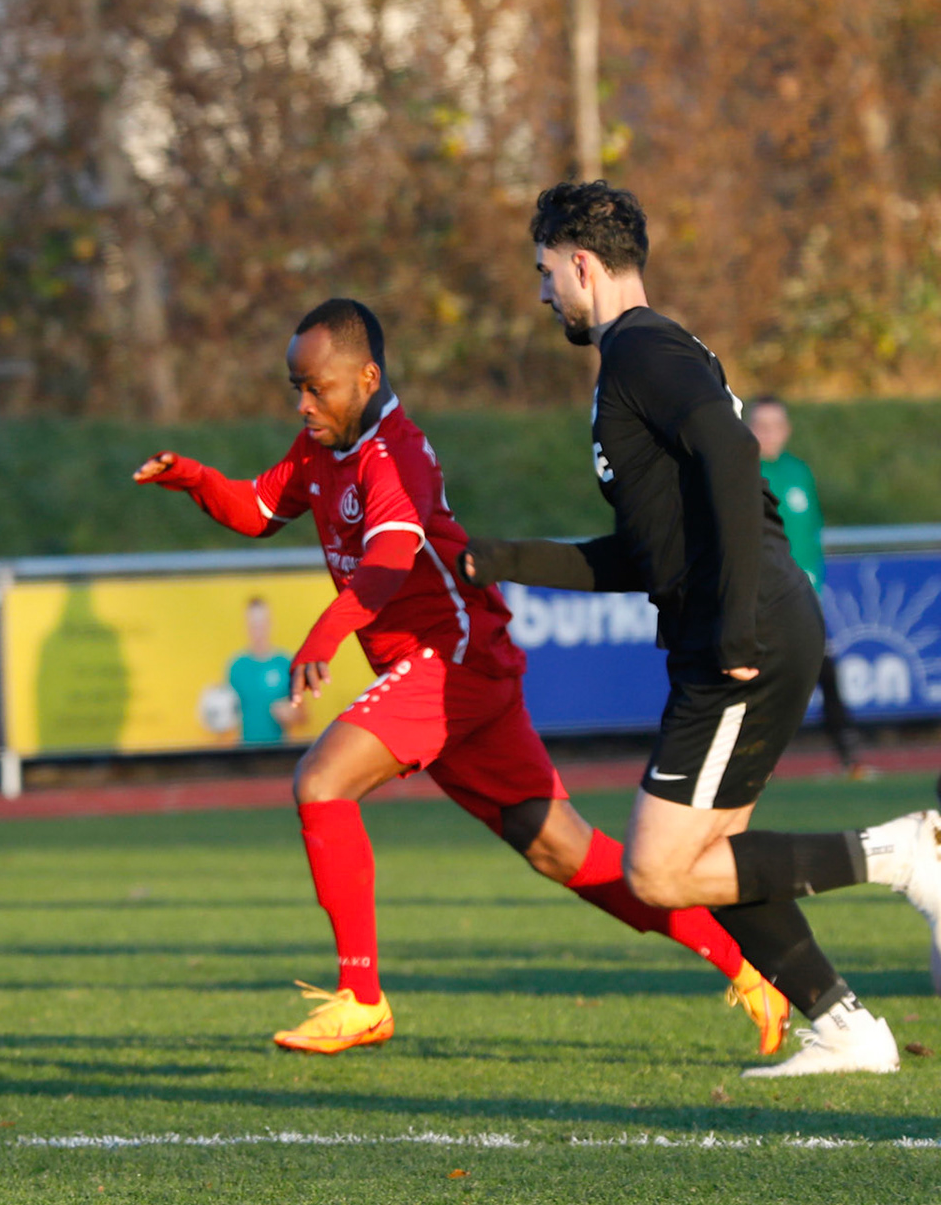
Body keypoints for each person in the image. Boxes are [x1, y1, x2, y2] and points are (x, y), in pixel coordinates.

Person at [135, 298, 788, 1056]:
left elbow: (388, 562)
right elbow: (255, 507)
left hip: (452, 661)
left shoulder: (396, 453)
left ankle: (361, 997)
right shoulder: (320, 448)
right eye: (297, 389)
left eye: (316, 388)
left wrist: (326, 631)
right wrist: (193, 477)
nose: (304, 404)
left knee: (321, 781)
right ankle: (747, 968)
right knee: (565, 852)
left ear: (367, 377)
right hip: (457, 672)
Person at [458, 181, 941, 1076]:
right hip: (741, 623)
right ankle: (846, 1027)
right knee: (708, 857)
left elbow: (732, 450)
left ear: (582, 265)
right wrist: (502, 558)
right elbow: (648, 554)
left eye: (545, 272)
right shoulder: (640, 359)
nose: (542, 293)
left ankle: (904, 853)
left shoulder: (641, 349)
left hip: (742, 632)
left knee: (659, 870)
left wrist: (733, 625)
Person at [747, 396, 867, 776]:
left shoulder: (798, 471)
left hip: (804, 599)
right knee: (756, 681)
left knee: (825, 672)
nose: (768, 433)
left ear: (787, 430)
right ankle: (747, 760)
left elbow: (811, 535)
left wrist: (814, 582)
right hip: (760, 600)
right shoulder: (741, 471)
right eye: (760, 425)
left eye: (775, 425)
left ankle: (849, 756)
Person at [226, 597, 305, 746]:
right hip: (244, 751)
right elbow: (227, 714)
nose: (258, 632)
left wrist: (291, 714)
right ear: (246, 627)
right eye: (253, 625)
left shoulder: (285, 663)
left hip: (278, 751)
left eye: (262, 624)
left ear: (270, 624)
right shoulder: (236, 666)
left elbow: (304, 716)